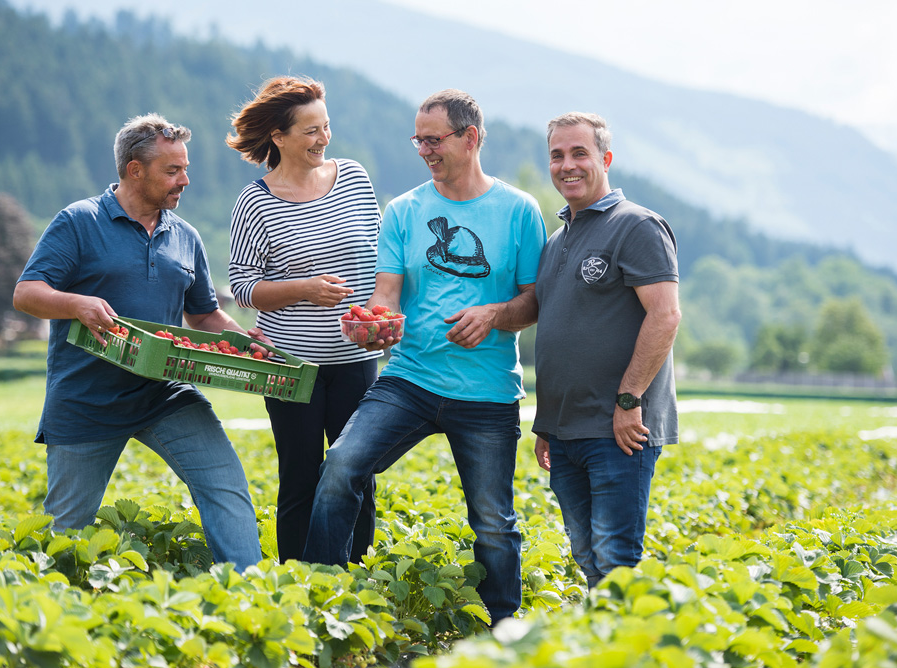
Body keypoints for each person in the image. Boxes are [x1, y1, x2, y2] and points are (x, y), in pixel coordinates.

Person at [302, 89, 547, 623]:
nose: (424, 151)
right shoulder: (406, 210)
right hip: (410, 380)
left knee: (492, 519)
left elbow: (533, 302)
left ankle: (503, 631)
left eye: (434, 140)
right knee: (342, 465)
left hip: (486, 390)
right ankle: (323, 602)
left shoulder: (519, 211)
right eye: (419, 140)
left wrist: (496, 315)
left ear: (471, 137)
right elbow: (386, 294)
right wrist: (373, 328)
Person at [13, 113, 265, 572]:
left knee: (225, 485)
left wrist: (245, 341)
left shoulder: (185, 236)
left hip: (163, 391)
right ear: (134, 169)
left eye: (185, 168)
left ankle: (248, 590)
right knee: (67, 527)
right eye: (172, 170)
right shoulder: (78, 221)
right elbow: (27, 293)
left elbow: (204, 313)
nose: (185, 180)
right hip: (86, 399)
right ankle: (41, 613)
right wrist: (76, 304)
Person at [226, 76, 382, 563]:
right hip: (290, 367)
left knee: (357, 473)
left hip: (356, 358)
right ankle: (296, 582)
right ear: (279, 136)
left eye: (326, 126)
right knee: (299, 476)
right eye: (310, 130)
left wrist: (381, 313)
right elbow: (244, 288)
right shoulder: (255, 202)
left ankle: (356, 578)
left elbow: (382, 259)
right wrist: (304, 290)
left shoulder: (353, 177)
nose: (323, 138)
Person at [532, 112, 681, 589]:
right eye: (557, 155)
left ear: (605, 159)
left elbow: (665, 316)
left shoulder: (637, 226)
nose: (567, 165)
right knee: (586, 556)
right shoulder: (557, 241)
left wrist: (628, 399)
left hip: (620, 429)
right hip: (565, 432)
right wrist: (547, 424)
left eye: (580, 153)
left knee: (616, 561)